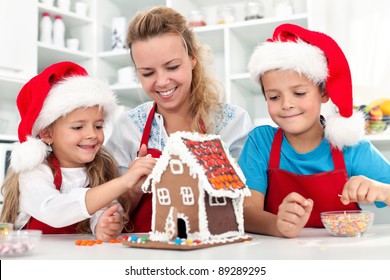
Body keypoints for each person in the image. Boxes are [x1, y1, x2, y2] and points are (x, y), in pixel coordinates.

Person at [104, 6, 253, 233]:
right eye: (147, 73)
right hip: (147, 256)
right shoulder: (128, 128)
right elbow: (111, 214)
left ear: (192, 58)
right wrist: (132, 189)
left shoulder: (232, 122)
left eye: (172, 67)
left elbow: (247, 204)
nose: (162, 81)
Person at [239, 24, 390, 238]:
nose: (287, 104)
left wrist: (384, 191)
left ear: (324, 93)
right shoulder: (261, 141)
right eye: (274, 97)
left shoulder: (351, 147)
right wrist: (277, 225)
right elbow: (246, 212)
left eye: (299, 93)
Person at [0, 61, 156, 241]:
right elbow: (53, 211)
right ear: (47, 133)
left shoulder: (98, 168)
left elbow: (103, 207)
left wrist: (105, 223)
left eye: (98, 126)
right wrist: (123, 182)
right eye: (77, 127)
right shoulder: (35, 172)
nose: (92, 134)